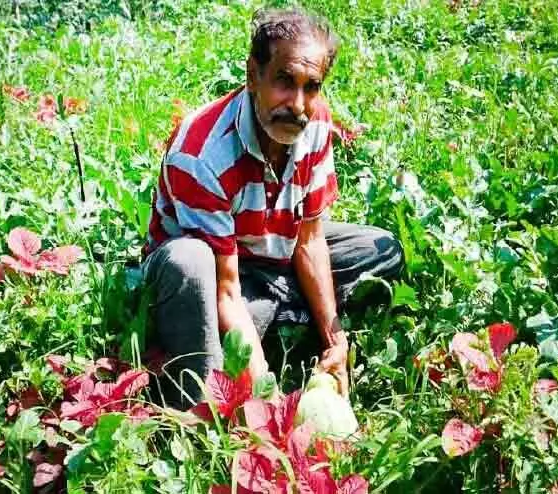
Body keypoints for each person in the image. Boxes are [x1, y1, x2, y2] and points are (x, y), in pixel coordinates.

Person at [142, 7, 403, 409]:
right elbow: (225, 288)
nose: (297, 104)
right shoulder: (200, 154)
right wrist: (264, 392)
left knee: (379, 250)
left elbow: (310, 240)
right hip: (214, 273)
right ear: (253, 75)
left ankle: (261, 319)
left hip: (271, 253)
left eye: (311, 86)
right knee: (186, 261)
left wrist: (336, 339)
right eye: (284, 81)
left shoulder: (315, 124)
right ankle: (202, 386)